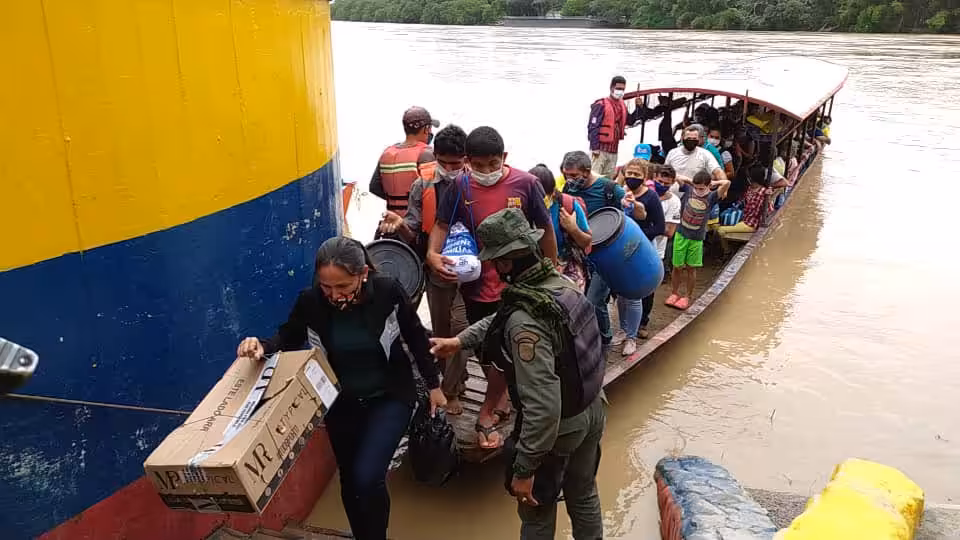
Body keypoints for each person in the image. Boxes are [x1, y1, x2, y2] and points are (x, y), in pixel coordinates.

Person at [236, 237, 446, 540]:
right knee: (349, 479)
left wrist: (434, 385)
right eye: (326, 287)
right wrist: (261, 347)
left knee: (368, 476)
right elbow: (288, 337)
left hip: (390, 396)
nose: (334, 295)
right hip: (342, 403)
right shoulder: (311, 302)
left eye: (343, 287)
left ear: (362, 274)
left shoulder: (387, 291)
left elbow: (415, 336)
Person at [429, 208, 606, 540]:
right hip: (593, 407)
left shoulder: (526, 324)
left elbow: (543, 409)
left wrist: (524, 470)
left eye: (495, 262)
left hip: (561, 426)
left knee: (536, 510)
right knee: (583, 495)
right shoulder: (559, 283)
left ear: (505, 264)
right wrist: (459, 341)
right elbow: (506, 314)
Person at [426, 126, 558, 449]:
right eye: (479, 165)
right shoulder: (459, 185)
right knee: (486, 348)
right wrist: (432, 254)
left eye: (493, 163)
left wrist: (551, 269)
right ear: (468, 162)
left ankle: (491, 408)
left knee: (510, 345)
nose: (486, 171)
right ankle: (499, 396)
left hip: (518, 282)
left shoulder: (526, 184)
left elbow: (545, 228)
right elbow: (442, 225)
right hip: (477, 281)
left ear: (504, 158)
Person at [379, 125, 470, 414]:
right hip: (436, 270)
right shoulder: (423, 185)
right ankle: (453, 375)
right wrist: (400, 224)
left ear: (466, 159)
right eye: (445, 163)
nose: (451, 169)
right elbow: (415, 233)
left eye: (457, 164)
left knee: (460, 328)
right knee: (442, 330)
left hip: (470, 273)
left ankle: (451, 389)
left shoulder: (476, 183)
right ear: (436, 157)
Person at [560, 150, 627, 347]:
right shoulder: (569, 189)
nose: (569, 179)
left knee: (595, 300)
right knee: (578, 300)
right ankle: (587, 337)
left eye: (574, 176)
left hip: (604, 254)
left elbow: (627, 214)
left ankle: (604, 339)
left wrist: (633, 205)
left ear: (587, 172)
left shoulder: (609, 188)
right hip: (580, 254)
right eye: (566, 174)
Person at [613, 159, 664, 355]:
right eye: (629, 174)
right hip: (620, 248)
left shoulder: (651, 197)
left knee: (634, 294)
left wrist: (638, 234)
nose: (632, 178)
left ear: (645, 176)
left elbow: (660, 227)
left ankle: (631, 337)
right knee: (621, 294)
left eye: (637, 175)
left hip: (641, 248)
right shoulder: (620, 192)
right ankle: (624, 329)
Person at [666, 171, 731, 311]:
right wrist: (692, 182)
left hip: (696, 238)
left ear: (709, 186)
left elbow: (727, 183)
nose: (698, 191)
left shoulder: (712, 196)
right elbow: (677, 176)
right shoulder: (689, 189)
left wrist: (716, 183)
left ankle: (687, 296)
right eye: (696, 188)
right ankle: (674, 293)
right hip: (681, 234)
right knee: (677, 266)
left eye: (702, 188)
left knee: (691, 268)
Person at [370, 106, 439, 225]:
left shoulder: (386, 153)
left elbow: (374, 187)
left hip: (390, 223)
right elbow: (434, 193)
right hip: (415, 225)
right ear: (426, 129)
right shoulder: (427, 154)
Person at [529, 164, 592, 292]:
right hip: (533, 267)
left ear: (553, 192)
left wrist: (573, 229)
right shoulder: (523, 204)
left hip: (565, 264)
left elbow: (587, 241)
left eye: (544, 198)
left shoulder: (568, 205)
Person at [717, 164, 789, 249]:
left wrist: (768, 195)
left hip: (752, 224)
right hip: (746, 218)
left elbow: (767, 211)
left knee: (720, 230)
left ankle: (726, 252)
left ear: (751, 179)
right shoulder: (751, 189)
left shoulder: (764, 192)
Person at [588, 75, 646, 177]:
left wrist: (639, 107)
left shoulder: (622, 105)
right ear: (611, 88)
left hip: (614, 150)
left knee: (608, 178)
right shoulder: (601, 104)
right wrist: (594, 147)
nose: (620, 91)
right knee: (594, 177)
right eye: (618, 88)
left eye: (623, 89)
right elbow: (593, 126)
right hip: (600, 149)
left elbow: (630, 121)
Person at [656, 165, 681, 280]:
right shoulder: (644, 193)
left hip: (656, 251)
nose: (662, 185)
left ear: (672, 183)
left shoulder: (674, 201)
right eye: (659, 181)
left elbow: (670, 231)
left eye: (666, 184)